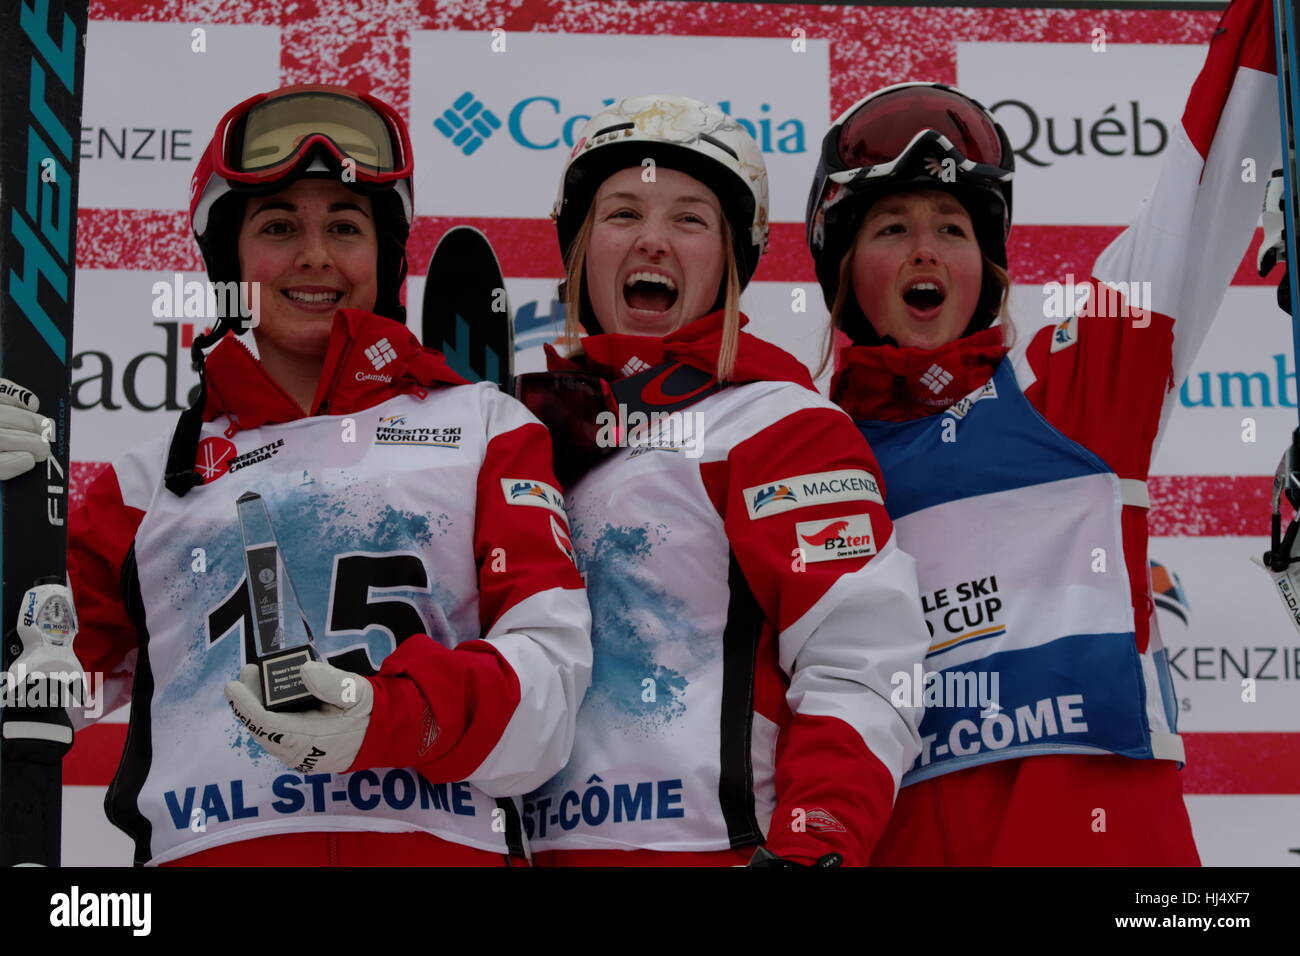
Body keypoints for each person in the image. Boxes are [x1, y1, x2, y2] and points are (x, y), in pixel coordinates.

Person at [0, 84, 591, 866]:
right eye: (278, 227)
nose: (315, 255)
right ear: (227, 259)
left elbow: (548, 688)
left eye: (345, 227)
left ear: (384, 256)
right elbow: (41, 692)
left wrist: (388, 718)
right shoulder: (149, 483)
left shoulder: (485, 429)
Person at [804, 0, 1277, 865]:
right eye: (892, 228)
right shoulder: (802, 459)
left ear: (984, 270)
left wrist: (1264, 35)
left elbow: (1199, 195)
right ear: (844, 271)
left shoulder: (1079, 393)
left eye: (952, 229)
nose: (926, 251)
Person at [515, 94, 931, 866]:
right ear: (578, 248)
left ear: (731, 259)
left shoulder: (779, 425)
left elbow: (864, 664)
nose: (652, 241)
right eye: (622, 214)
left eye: (689, 219)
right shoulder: (524, 441)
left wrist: (817, 840)